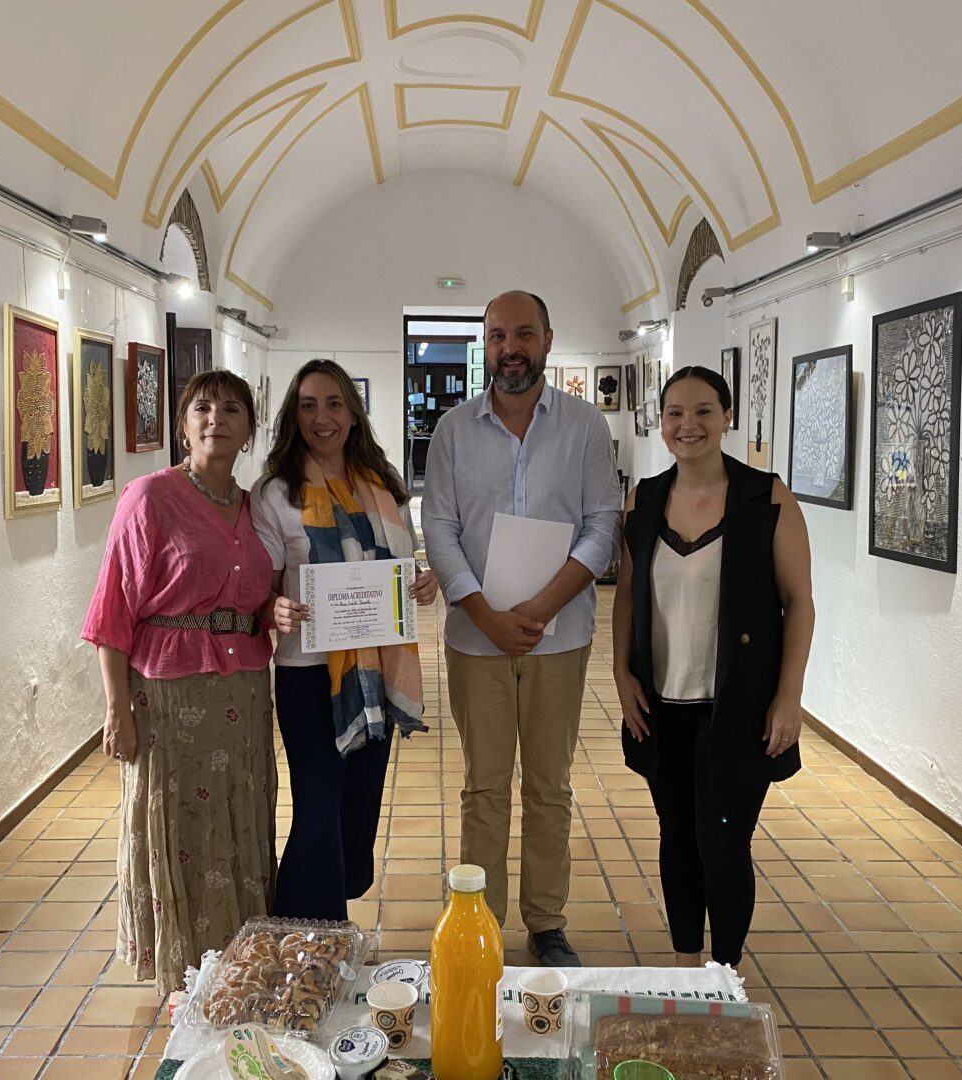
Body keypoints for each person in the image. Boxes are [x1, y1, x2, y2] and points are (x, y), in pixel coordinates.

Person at [422, 290, 621, 967]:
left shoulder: (585, 427)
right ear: (485, 344)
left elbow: (603, 525)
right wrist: (484, 613)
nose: (511, 348)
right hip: (475, 639)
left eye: (524, 334)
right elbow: (439, 528)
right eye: (498, 336)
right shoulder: (453, 431)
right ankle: (479, 923)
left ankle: (546, 922)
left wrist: (542, 606)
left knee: (548, 786)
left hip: (559, 637)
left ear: (548, 340)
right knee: (483, 787)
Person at [612, 365, 814, 968]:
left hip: (738, 709)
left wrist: (789, 697)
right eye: (675, 413)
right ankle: (685, 965)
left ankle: (724, 974)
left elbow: (799, 601)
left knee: (722, 845)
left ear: (727, 417)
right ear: (661, 423)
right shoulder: (644, 499)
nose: (688, 424)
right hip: (662, 707)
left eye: (703, 411)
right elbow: (626, 597)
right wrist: (622, 675)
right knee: (677, 838)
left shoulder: (765, 498)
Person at [81, 370, 275, 995]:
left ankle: (239, 956)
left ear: (249, 429)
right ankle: (185, 967)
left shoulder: (257, 508)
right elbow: (112, 612)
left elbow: (269, 593)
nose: (217, 419)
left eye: (232, 409)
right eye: (202, 408)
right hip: (168, 695)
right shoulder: (149, 497)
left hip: (243, 689)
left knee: (239, 813)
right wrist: (117, 709)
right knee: (178, 822)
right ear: (184, 426)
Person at [253, 359, 438, 920]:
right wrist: (274, 607)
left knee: (358, 804)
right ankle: (304, 937)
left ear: (354, 415)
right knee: (317, 806)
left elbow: (398, 567)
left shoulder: (384, 486)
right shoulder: (276, 494)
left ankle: (333, 918)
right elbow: (261, 586)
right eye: (308, 406)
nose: (322, 417)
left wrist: (421, 582)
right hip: (307, 675)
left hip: (374, 673)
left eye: (334, 404)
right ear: (293, 417)